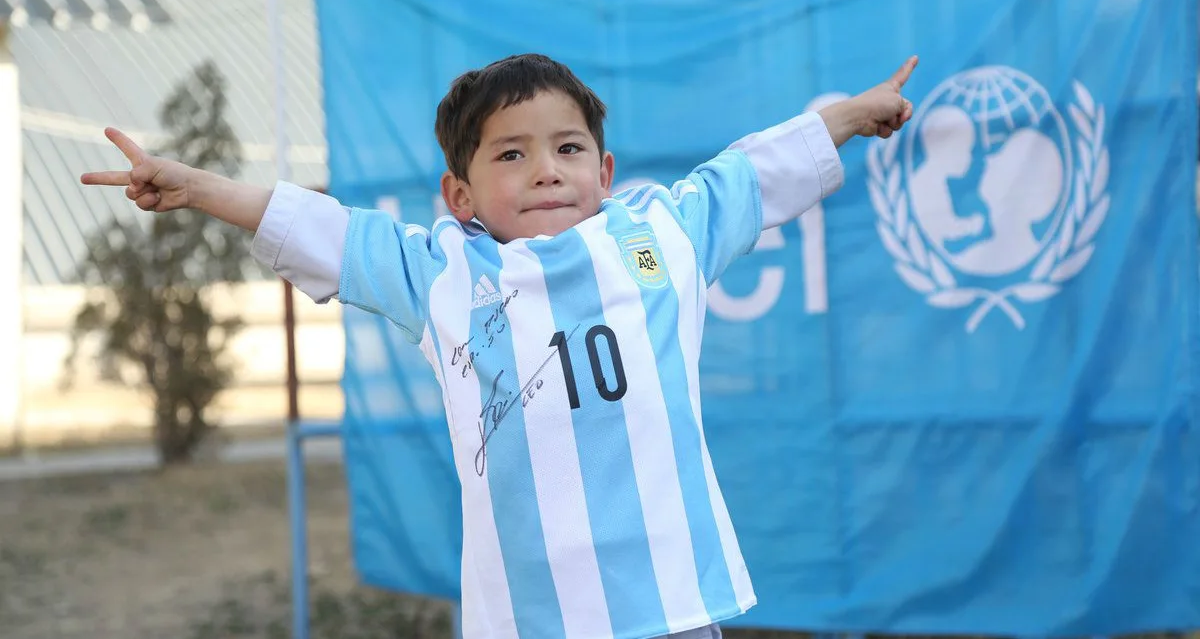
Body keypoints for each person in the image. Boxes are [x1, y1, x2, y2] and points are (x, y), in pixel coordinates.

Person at [83, 52, 918, 639]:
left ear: (605, 171)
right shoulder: (441, 273)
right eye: (511, 153)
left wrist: (846, 116)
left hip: (669, 605)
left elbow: (750, 174)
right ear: (460, 193)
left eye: (568, 149)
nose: (546, 169)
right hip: (532, 617)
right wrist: (195, 187)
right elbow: (324, 229)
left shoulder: (661, 231)